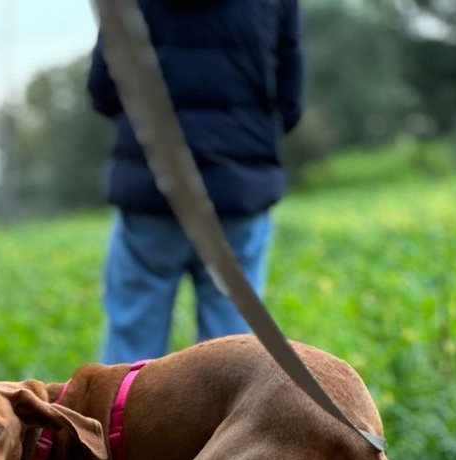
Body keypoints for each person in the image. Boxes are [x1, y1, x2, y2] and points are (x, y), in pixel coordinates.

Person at [88, 0, 304, 364]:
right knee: (230, 354)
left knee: (131, 346)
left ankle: (122, 405)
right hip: (237, 190)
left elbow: (103, 91)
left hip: (153, 186)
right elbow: (290, 99)